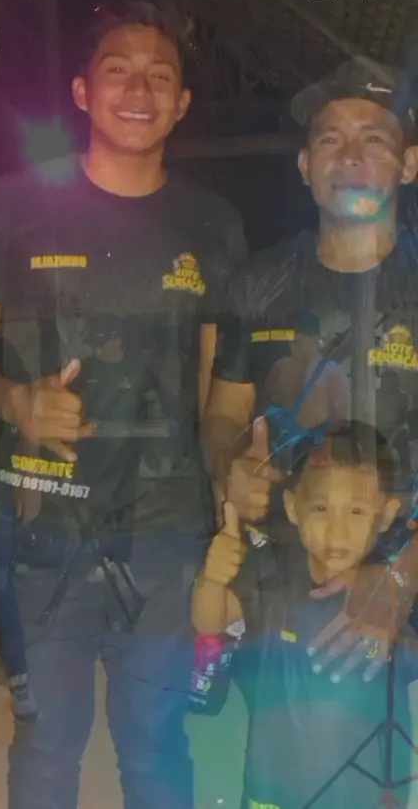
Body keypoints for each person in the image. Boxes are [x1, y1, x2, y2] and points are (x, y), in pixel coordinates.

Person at [0, 0, 247, 809]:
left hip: (167, 534)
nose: (139, 90)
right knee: (47, 745)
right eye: (118, 71)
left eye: (160, 76)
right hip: (44, 529)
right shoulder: (11, 205)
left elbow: (219, 389)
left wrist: (228, 478)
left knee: (156, 742)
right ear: (82, 91)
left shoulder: (214, 225)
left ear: (182, 102)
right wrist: (15, 399)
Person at [205, 56, 418, 681]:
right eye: (330, 140)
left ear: (409, 164)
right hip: (283, 582)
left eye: (374, 139)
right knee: (283, 737)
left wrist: (400, 577)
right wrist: (231, 465)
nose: (350, 156)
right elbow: (223, 415)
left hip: (408, 573)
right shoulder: (258, 284)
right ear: (305, 167)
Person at [193, 423, 417, 808]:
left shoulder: (394, 596)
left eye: (357, 510)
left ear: (386, 515)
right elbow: (210, 620)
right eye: (321, 508)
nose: (336, 529)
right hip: (273, 793)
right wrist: (212, 578)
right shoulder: (271, 571)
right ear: (293, 508)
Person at [376, 369, 412, 483]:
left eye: (389, 380)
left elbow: (401, 422)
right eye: (384, 380)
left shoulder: (403, 398)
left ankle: (406, 471)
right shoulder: (375, 395)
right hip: (378, 429)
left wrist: (390, 439)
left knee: (403, 439)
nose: (385, 382)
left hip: (396, 431)